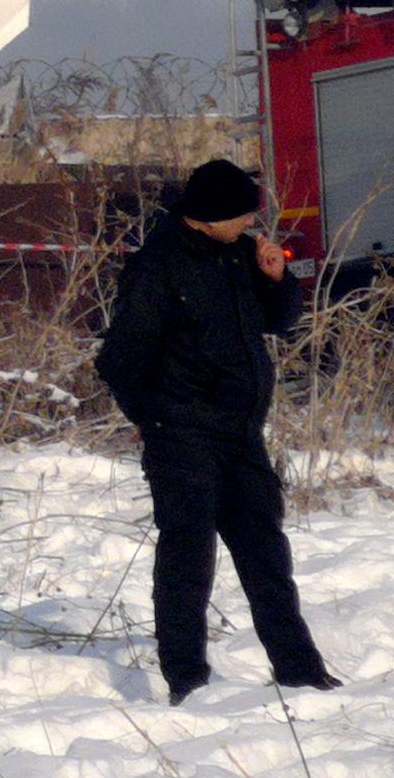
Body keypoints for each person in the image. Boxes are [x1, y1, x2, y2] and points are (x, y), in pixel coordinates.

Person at [97, 158, 340, 705]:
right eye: (243, 213)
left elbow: (278, 322)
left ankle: (300, 670)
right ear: (207, 216)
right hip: (181, 436)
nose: (254, 221)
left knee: (266, 553)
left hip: (241, 434)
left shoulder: (238, 255)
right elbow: (118, 360)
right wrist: (156, 421)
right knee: (188, 560)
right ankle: (187, 679)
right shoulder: (154, 267)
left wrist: (277, 279)